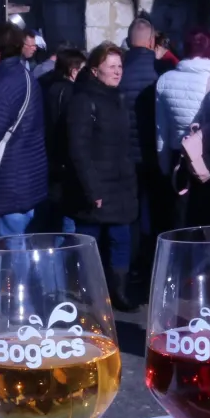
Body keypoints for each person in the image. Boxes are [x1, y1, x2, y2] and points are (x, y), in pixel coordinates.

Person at [64, 42, 138, 309]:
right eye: (111, 67)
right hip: (95, 185)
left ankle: (119, 291)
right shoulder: (84, 100)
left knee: (121, 238)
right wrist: (92, 189)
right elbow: (78, 148)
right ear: (95, 71)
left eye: (120, 66)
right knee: (90, 242)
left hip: (121, 184)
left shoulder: (119, 98)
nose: (118, 71)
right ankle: (89, 293)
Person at [0, 21, 48, 236]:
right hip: (30, 178)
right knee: (22, 245)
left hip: (9, 185)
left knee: (10, 250)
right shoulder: (26, 76)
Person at [155, 26, 210, 226]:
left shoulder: (164, 80)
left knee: (180, 222)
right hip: (207, 158)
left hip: (178, 158)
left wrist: (164, 165)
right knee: (207, 222)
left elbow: (161, 130)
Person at [118, 16, 162, 292]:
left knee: (130, 216)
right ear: (152, 41)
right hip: (154, 156)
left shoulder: (118, 72)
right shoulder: (161, 71)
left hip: (125, 157)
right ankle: (151, 266)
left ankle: (130, 266)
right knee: (154, 214)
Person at [39, 46, 85, 232]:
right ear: (74, 71)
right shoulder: (71, 92)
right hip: (63, 160)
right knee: (66, 217)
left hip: (47, 157)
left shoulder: (44, 86)